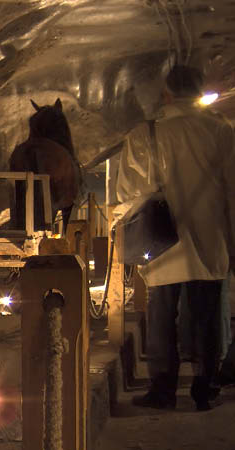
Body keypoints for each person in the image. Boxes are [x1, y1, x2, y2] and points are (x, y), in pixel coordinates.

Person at [116, 65, 235, 411]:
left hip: (161, 241)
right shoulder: (221, 131)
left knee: (162, 316)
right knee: (208, 317)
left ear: (166, 94)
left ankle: (163, 389)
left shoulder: (145, 135)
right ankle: (203, 387)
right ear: (199, 92)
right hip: (209, 239)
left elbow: (127, 195)